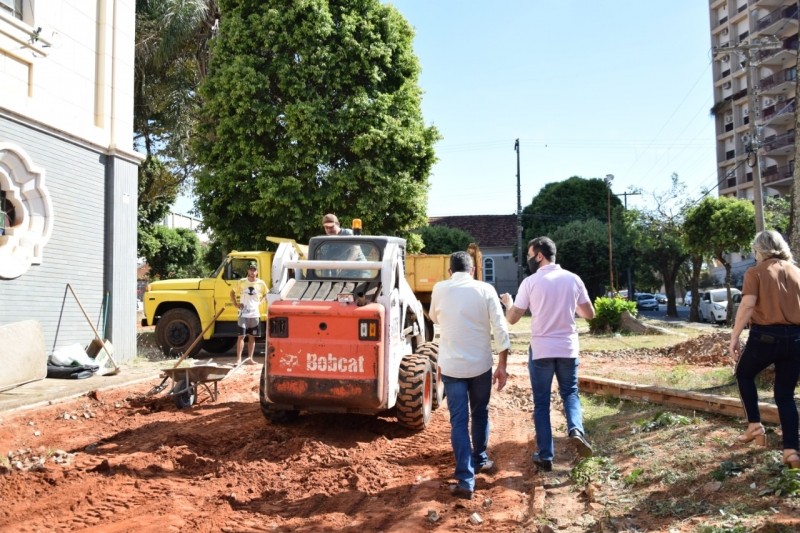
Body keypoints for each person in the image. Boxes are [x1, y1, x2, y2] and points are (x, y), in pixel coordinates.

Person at [500, 237, 595, 472]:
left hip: (542, 350)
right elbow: (589, 314)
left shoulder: (530, 282)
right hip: (567, 348)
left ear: (539, 255)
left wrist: (508, 303)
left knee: (541, 403)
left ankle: (546, 456)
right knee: (570, 393)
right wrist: (569, 304)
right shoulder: (573, 279)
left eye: (530, 255)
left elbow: (512, 319)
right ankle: (576, 430)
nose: (529, 260)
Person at [430, 251, 510, 500]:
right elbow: (500, 328)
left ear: (450, 271)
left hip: (451, 367)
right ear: (474, 270)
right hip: (480, 366)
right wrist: (502, 365)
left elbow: (434, 317)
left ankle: (465, 480)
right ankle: (479, 459)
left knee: (458, 422)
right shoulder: (485, 290)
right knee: (480, 413)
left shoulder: (439, 288)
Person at [729, 230, 800, 469]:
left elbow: (748, 304)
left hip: (765, 337)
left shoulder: (756, 272)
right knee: (785, 395)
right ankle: (791, 451)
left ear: (758, 249)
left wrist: (734, 336)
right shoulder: (797, 272)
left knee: (744, 374)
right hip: (796, 339)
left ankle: (754, 425)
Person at [230, 261, 268, 365]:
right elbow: (232, 292)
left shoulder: (261, 283)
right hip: (243, 313)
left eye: (254, 269)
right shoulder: (242, 282)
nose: (252, 272)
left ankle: (250, 358)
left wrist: (261, 302)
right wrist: (236, 304)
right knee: (241, 336)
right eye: (251, 269)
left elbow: (266, 294)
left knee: (252, 337)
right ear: (248, 271)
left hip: (255, 314)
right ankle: (238, 360)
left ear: (257, 271)